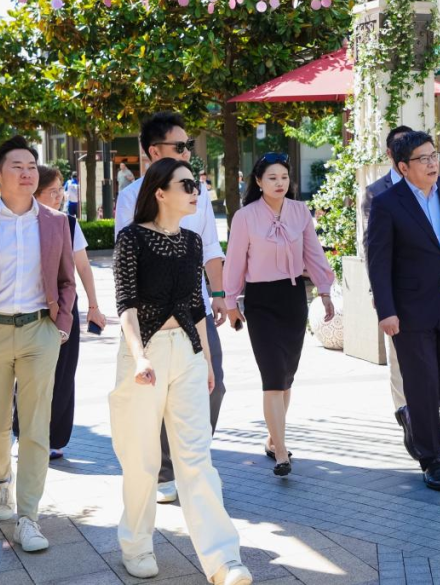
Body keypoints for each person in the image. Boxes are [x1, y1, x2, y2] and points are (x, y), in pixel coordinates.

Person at [111, 157, 252, 584]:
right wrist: (139, 357)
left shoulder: (191, 242)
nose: (196, 191)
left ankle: (223, 561)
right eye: (187, 185)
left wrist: (206, 360)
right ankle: (136, 545)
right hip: (146, 354)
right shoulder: (132, 238)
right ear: (160, 192)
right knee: (142, 459)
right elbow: (126, 305)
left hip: (187, 353)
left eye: (197, 184)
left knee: (196, 458)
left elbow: (196, 306)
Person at [0, 135, 76, 552]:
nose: (27, 173)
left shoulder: (56, 222)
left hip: (40, 332)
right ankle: (0, 479)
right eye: (17, 166)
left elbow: (66, 280)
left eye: (32, 167)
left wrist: (60, 326)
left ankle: (29, 518)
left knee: (37, 426)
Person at [115, 112, 229, 505]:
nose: (187, 152)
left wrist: (219, 293)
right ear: (153, 151)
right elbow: (128, 265)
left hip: (193, 308)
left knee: (214, 385)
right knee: (155, 395)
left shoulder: (198, 192)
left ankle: (190, 462)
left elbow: (209, 245)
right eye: (179, 146)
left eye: (188, 146)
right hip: (151, 319)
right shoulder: (130, 198)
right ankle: (166, 471)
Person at [365, 131, 440, 492]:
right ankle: (432, 459)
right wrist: (386, 310)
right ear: (403, 167)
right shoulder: (387, 203)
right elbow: (378, 262)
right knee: (421, 379)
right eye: (422, 159)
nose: (432, 163)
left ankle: (413, 412)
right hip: (408, 309)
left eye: (434, 155)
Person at [224, 152, 335, 477]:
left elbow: (313, 253)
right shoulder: (245, 217)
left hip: (292, 298)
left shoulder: (300, 211)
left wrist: (325, 290)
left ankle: (274, 439)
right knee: (272, 376)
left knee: (286, 377)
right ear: (259, 181)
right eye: (272, 178)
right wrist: (230, 303)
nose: (279, 183)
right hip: (261, 301)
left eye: (284, 177)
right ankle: (282, 452)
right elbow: (235, 262)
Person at [11, 165, 107, 459]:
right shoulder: (18, 224)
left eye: (60, 191)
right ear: (35, 193)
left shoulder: (69, 223)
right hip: (29, 308)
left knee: (63, 374)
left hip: (64, 310)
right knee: (29, 374)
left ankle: (54, 438)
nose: (59, 197)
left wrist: (93, 306)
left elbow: (83, 267)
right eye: (52, 192)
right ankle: (24, 434)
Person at [361, 125, 417, 459]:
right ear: (390, 154)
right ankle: (405, 412)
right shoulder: (375, 192)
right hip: (393, 289)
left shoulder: (431, 186)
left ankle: (420, 410)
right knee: (398, 356)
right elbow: (372, 246)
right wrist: (378, 291)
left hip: (425, 290)